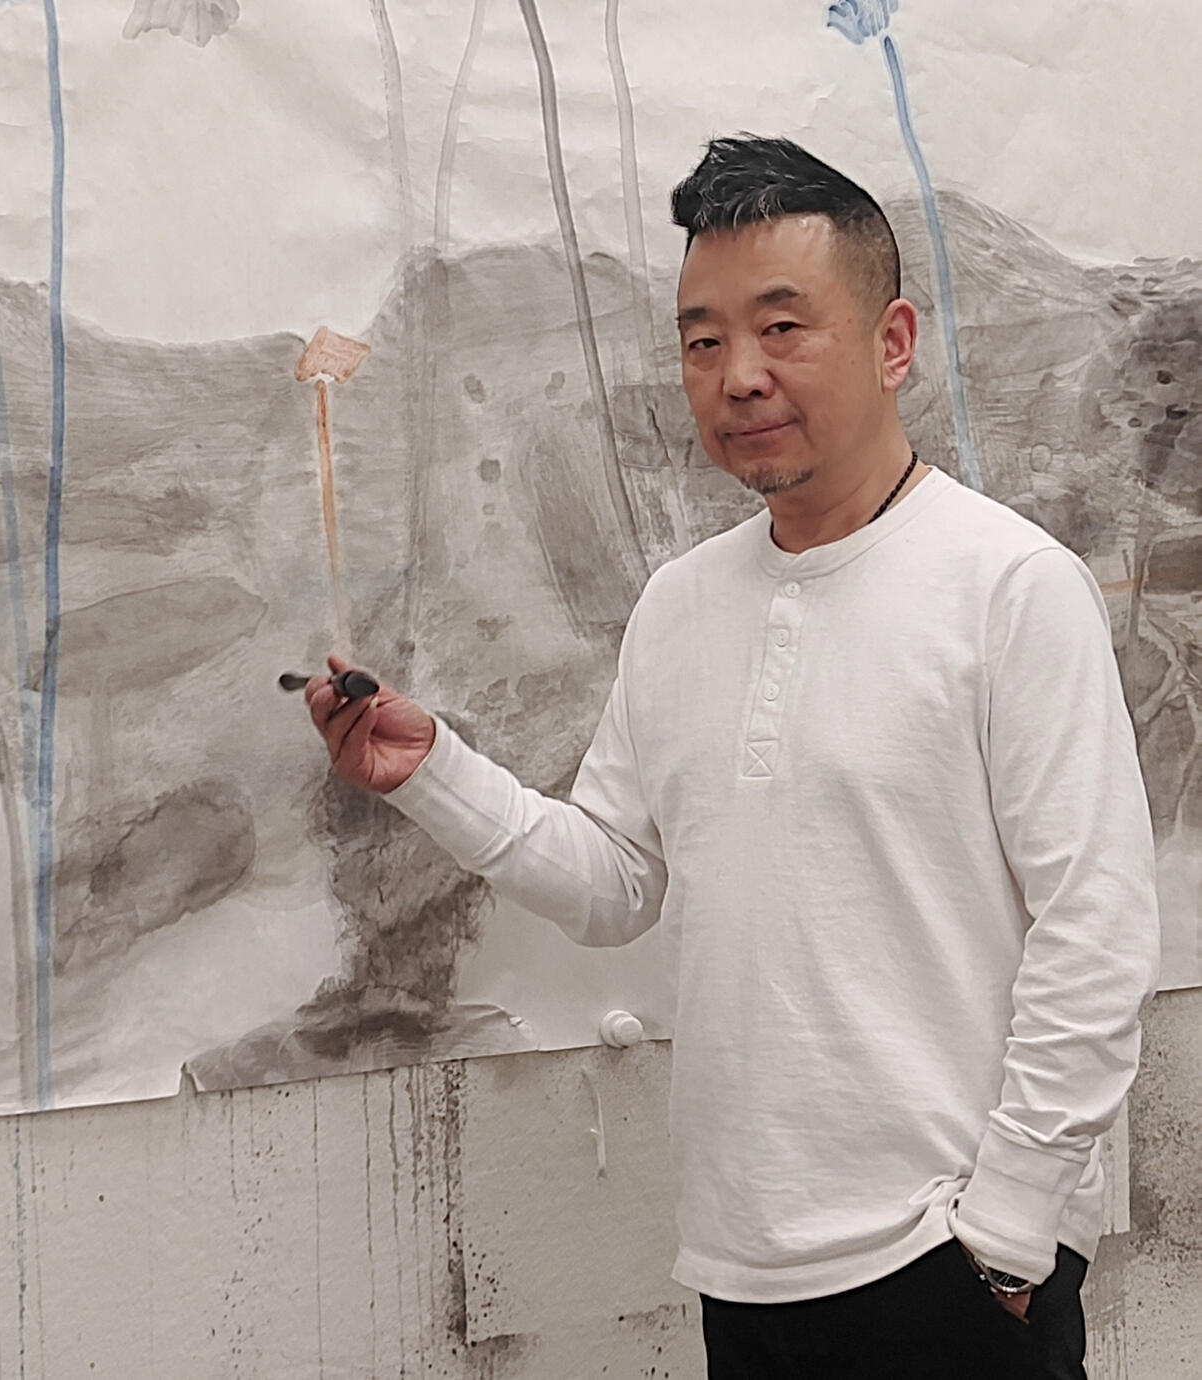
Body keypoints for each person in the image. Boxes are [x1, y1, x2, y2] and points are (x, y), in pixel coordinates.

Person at [302, 135, 1160, 1380]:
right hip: (742, 1265)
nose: (739, 375)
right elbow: (616, 883)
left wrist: (1012, 1231)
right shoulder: (681, 604)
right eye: (702, 341)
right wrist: (433, 772)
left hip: (954, 1263)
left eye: (782, 328)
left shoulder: (1011, 586)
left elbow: (1097, 928)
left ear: (894, 342)